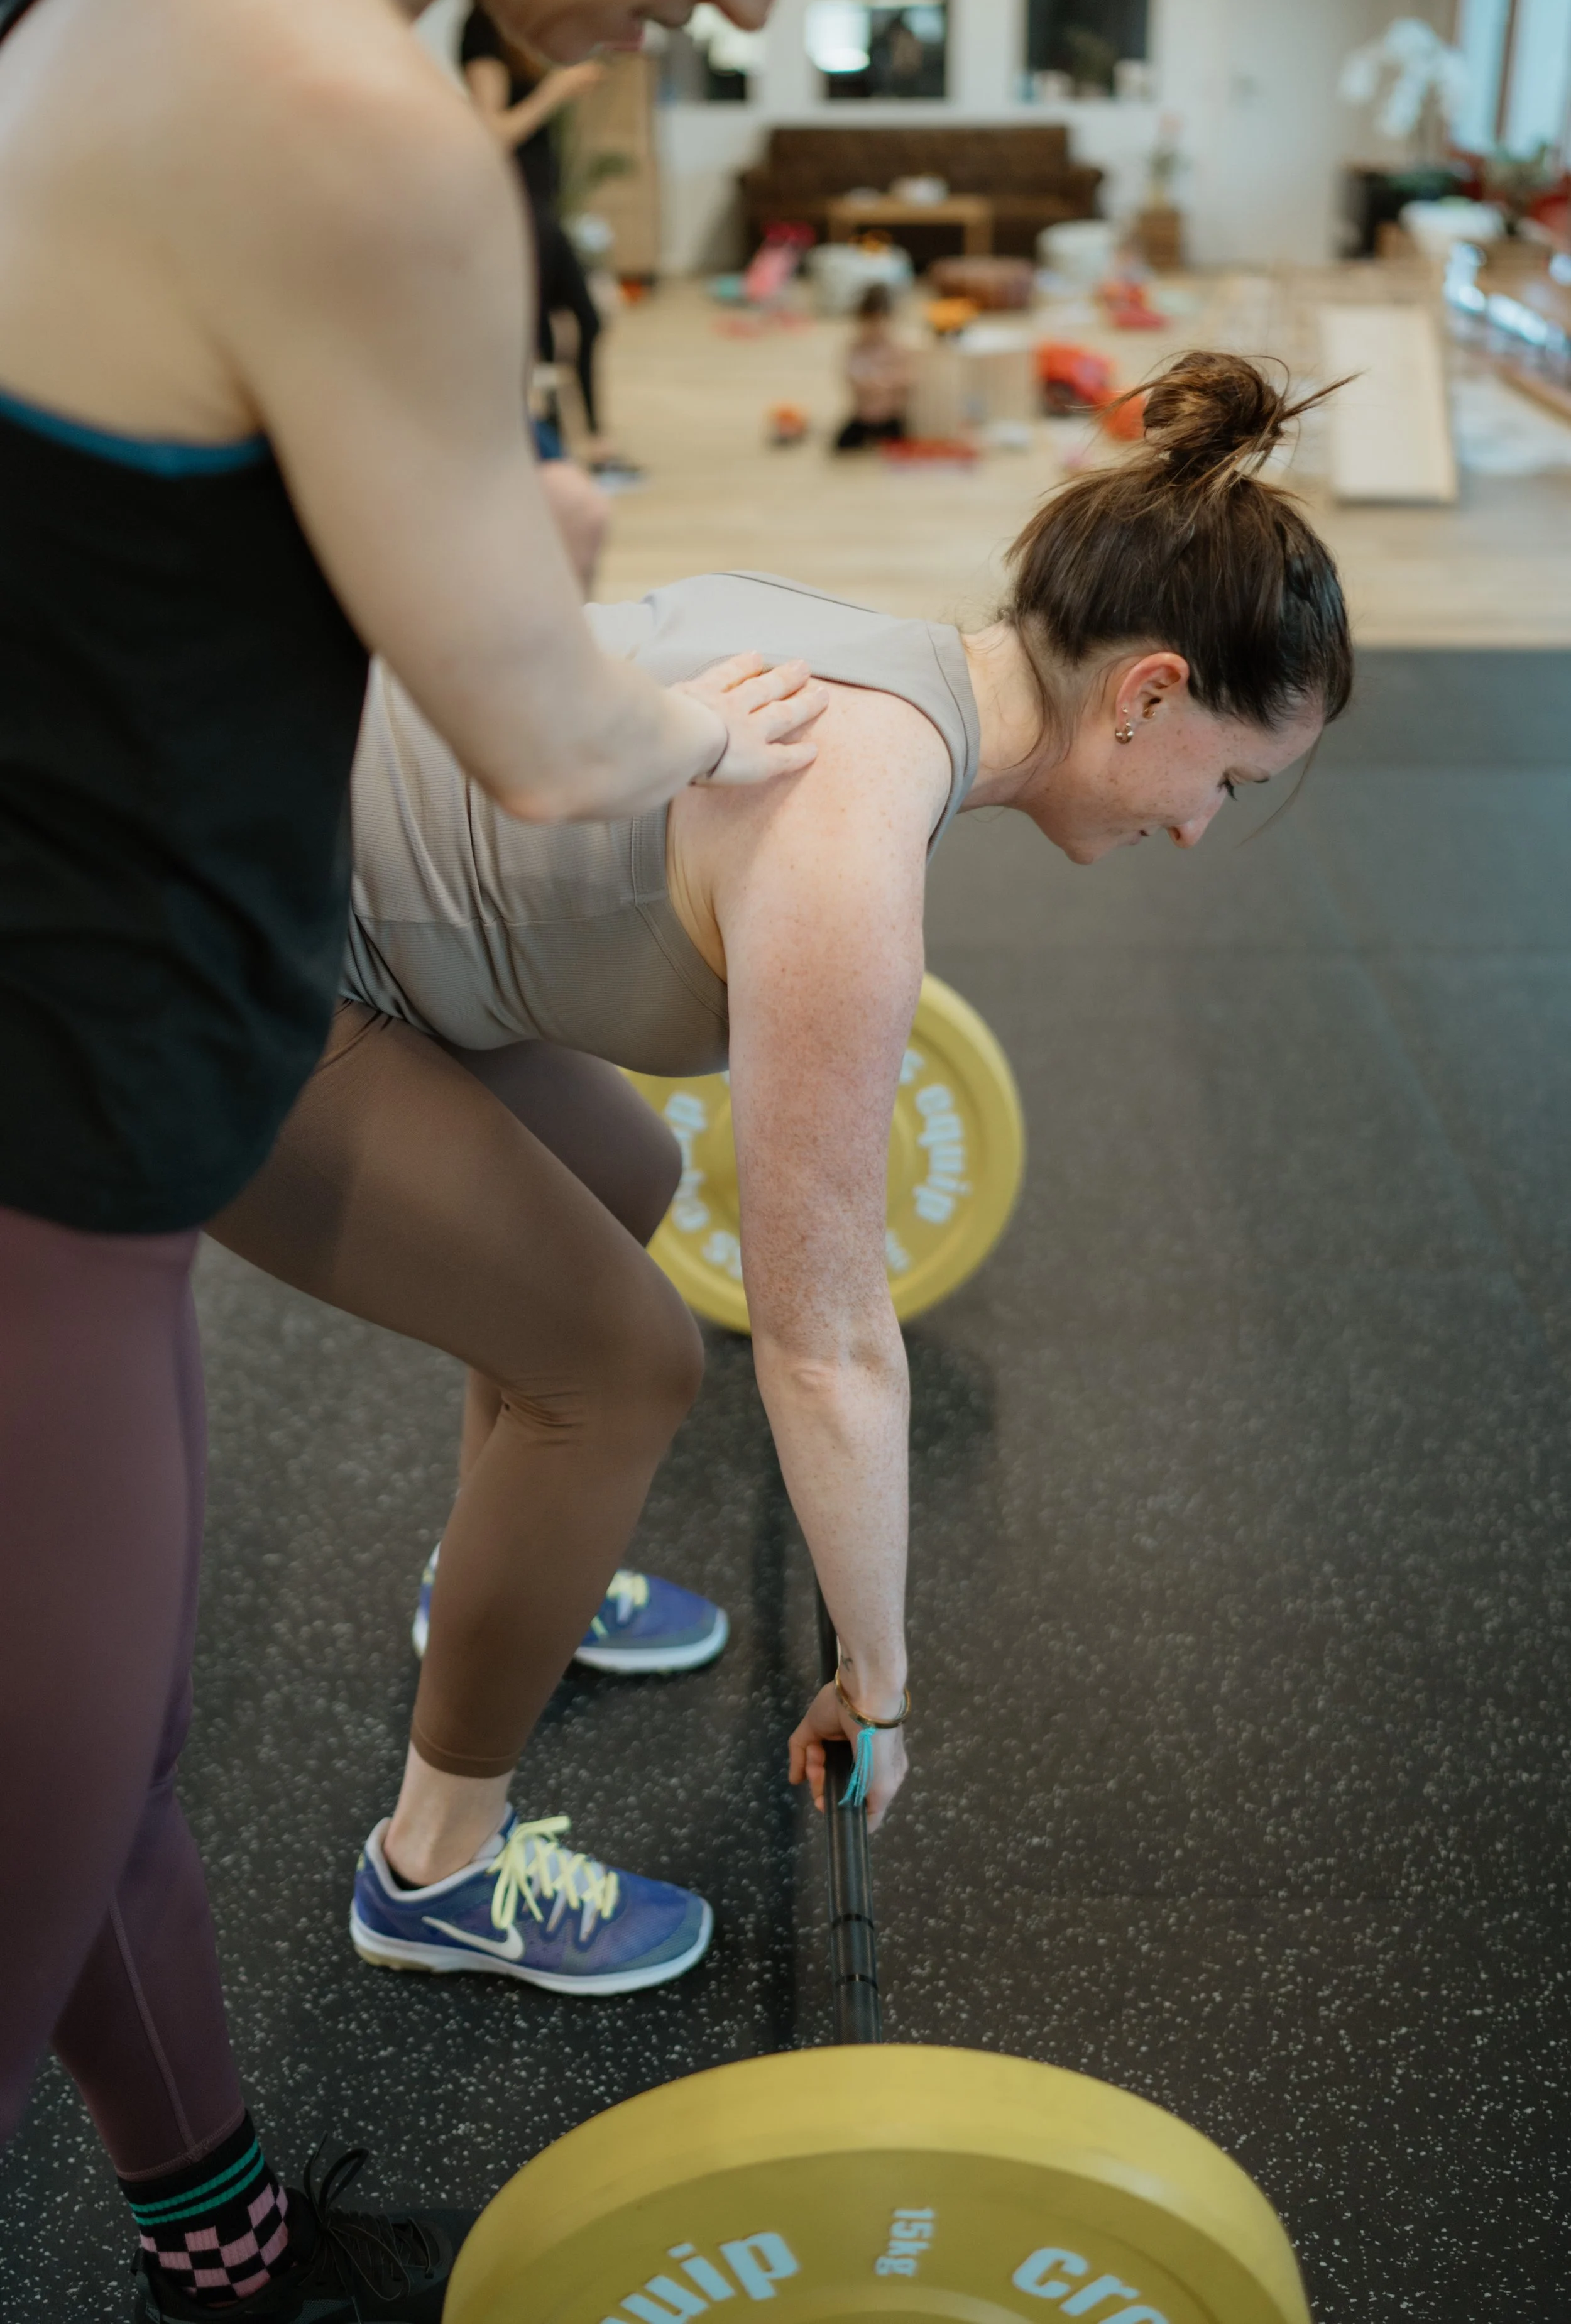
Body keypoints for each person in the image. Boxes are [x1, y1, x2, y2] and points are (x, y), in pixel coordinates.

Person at [0, 0, 807, 2316]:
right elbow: (553, 741)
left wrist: (483, 510)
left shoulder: (142, 6)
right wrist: (682, 705)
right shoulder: (348, 115)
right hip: (55, 1111)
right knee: (46, 1813)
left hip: (123, 1101)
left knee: (100, 1766)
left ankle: (217, 2226)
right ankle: (433, 1854)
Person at [207, 354, 1354, 2000]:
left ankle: (498, 1570)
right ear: (1150, 690)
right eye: (1226, 781)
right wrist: (877, 1677)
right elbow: (824, 1336)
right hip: (227, 952)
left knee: (616, 1171)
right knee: (620, 1363)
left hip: (337, 888)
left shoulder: (898, 660)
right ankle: (434, 1863)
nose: (1196, 828)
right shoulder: (850, 833)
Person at [461, 4, 637, 482]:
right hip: (516, 212)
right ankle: (544, 453)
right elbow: (491, 133)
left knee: (586, 318)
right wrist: (554, 93)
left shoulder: (519, 31)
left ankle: (594, 442)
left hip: (542, 210)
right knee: (535, 337)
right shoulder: (482, 32)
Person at [834, 282, 914, 451]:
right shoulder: (856, 347)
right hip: (863, 415)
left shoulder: (897, 347)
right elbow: (850, 376)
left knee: (901, 447)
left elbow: (906, 378)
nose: (874, 328)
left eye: (880, 321)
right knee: (842, 446)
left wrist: (884, 384)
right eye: (868, 321)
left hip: (891, 415)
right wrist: (868, 384)